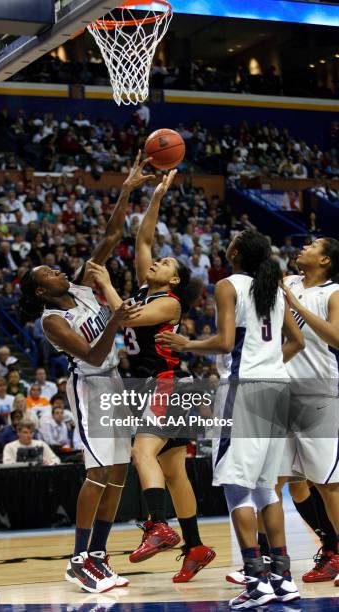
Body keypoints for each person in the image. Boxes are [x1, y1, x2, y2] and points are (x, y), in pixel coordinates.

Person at [19, 153, 150, 593]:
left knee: (119, 471)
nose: (60, 271)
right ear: (42, 291)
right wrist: (117, 316)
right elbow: (93, 357)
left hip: (114, 382)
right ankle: (78, 558)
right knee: (96, 472)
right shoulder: (51, 321)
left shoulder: (77, 286)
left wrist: (129, 188)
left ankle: (98, 554)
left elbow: (112, 235)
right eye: (50, 273)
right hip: (91, 386)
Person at [156, 230, 305, 608]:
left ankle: (256, 583)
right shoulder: (272, 287)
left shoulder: (228, 285)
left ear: (235, 251)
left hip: (244, 392)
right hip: (277, 390)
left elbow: (224, 342)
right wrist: (269, 368)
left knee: (237, 488)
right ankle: (282, 579)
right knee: (267, 489)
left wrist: (187, 344)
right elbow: (297, 342)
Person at [89, 170, 215, 583]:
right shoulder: (149, 287)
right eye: (156, 261)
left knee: (141, 453)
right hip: (164, 387)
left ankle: (159, 527)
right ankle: (195, 545)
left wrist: (106, 283)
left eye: (165, 263)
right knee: (174, 472)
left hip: (165, 385)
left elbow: (124, 314)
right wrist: (157, 195)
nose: (156, 261)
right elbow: (143, 239)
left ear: (174, 279)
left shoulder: (170, 304)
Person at [278, 237, 339, 585]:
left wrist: (296, 307)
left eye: (313, 245)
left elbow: (336, 337)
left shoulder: (332, 293)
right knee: (281, 482)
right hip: (280, 393)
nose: (304, 247)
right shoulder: (287, 282)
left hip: (317, 393)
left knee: (328, 483)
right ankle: (275, 561)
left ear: (326, 259)